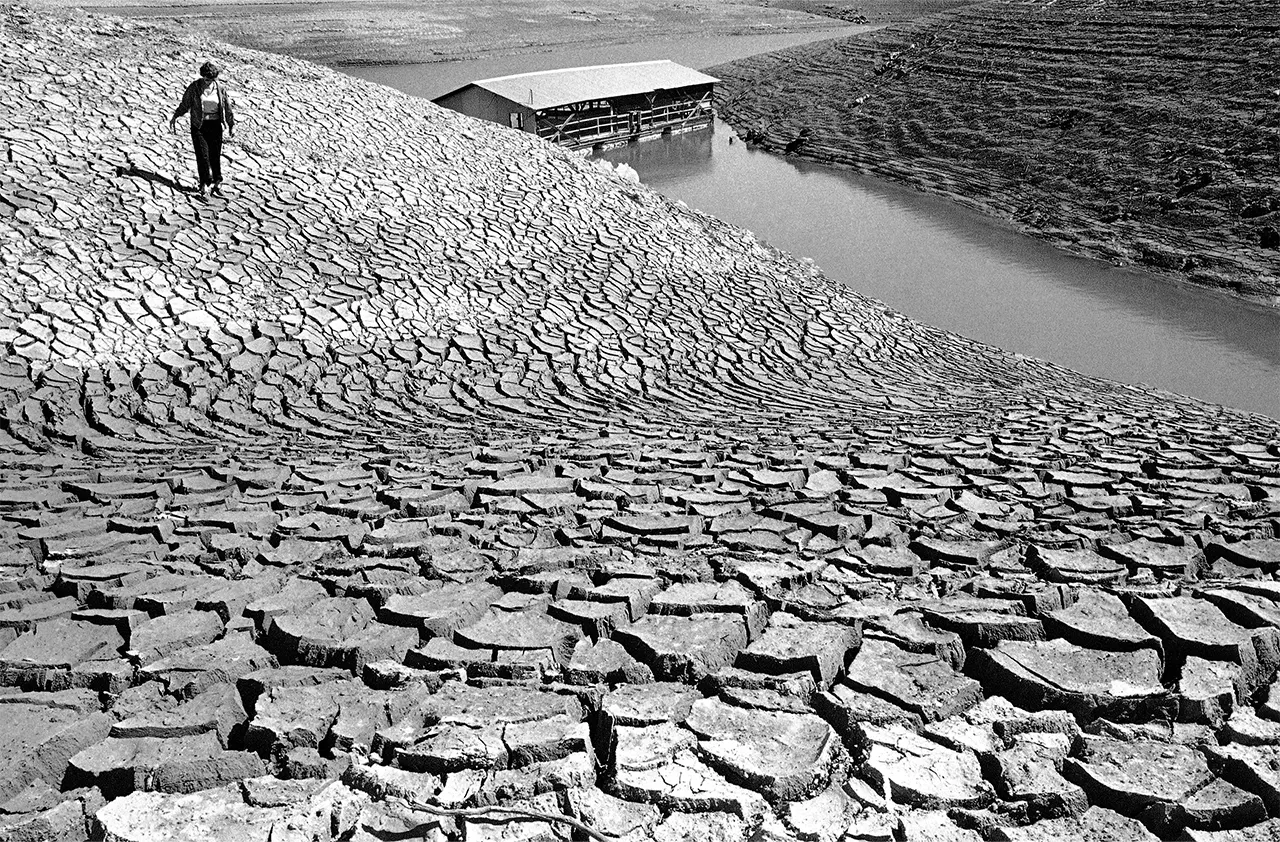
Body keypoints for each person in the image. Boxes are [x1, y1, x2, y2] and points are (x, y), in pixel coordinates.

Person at [170, 61, 235, 198]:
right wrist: (175, 116)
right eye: (206, 79)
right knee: (203, 155)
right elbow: (185, 104)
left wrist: (231, 125)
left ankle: (217, 183)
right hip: (199, 126)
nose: (208, 82)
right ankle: (204, 185)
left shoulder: (220, 88)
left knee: (215, 155)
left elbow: (227, 107)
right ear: (202, 76)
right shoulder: (194, 87)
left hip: (215, 125)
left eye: (211, 79)